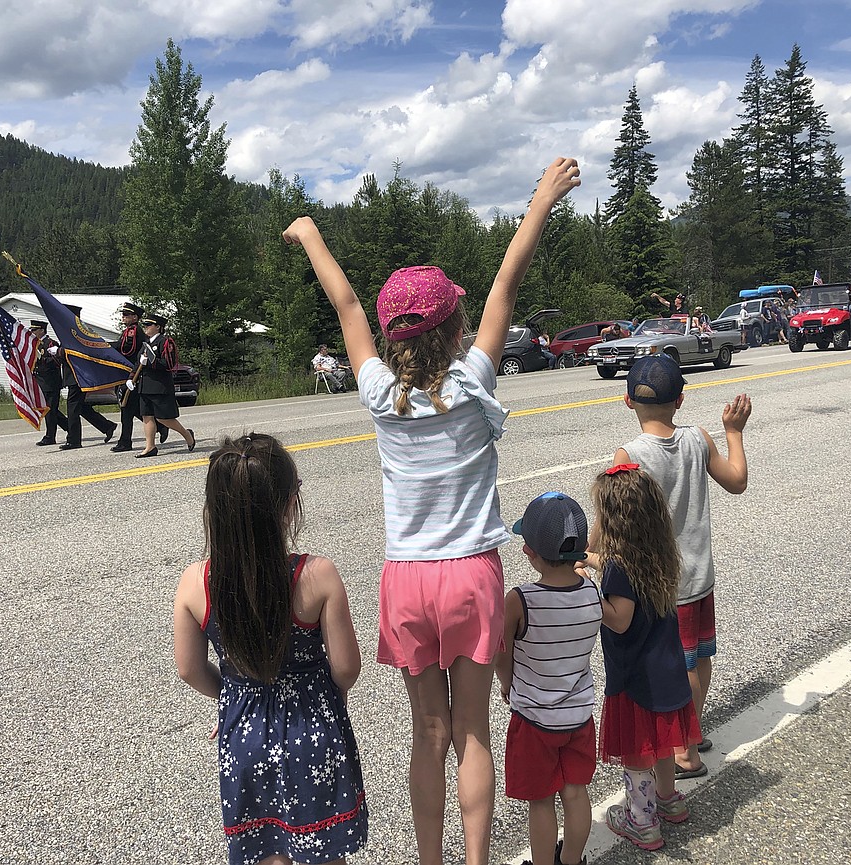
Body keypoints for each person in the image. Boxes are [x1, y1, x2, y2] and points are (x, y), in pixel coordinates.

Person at [281, 155, 581, 865]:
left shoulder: (383, 397)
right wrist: (541, 199)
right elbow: (509, 277)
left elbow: (348, 306)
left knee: (430, 732)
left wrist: (312, 235)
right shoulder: (476, 382)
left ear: (393, 340)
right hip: (470, 575)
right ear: (454, 331)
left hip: (409, 580)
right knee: (474, 729)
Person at [172, 433, 367, 865]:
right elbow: (346, 668)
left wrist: (234, 696)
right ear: (288, 504)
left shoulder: (194, 582)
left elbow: (189, 668)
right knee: (323, 849)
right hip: (312, 724)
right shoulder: (316, 575)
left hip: (243, 732)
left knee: (264, 848)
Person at [611, 355, 751, 782]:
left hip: (661, 586)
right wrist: (733, 432)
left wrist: (588, 553)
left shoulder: (629, 454)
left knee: (676, 665)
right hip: (699, 577)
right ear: (681, 401)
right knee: (699, 657)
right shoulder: (698, 438)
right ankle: (692, 730)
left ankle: (685, 751)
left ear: (628, 402)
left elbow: (612, 519)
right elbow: (737, 480)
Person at [580, 463, 700, 852]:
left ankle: (641, 818)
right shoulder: (657, 555)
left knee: (637, 751)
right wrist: (591, 560)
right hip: (666, 667)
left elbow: (619, 618)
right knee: (663, 744)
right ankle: (667, 798)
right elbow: (626, 577)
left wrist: (589, 591)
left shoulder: (618, 569)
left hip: (634, 676)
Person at [497, 492, 601, 865]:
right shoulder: (591, 592)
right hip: (578, 715)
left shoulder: (520, 600)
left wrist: (507, 685)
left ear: (530, 553)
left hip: (534, 719)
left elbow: (501, 652)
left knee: (541, 800)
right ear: (581, 549)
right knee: (576, 792)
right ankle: (571, 860)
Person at [127, 313, 195, 458]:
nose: (145, 327)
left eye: (148, 325)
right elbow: (137, 364)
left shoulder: (165, 342)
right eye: (144, 325)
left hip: (160, 386)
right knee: (147, 416)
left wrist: (152, 363)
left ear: (158, 327)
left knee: (164, 418)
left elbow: (169, 364)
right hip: (145, 386)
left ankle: (187, 435)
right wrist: (131, 378)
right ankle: (150, 447)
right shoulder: (146, 344)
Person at [58, 304, 118, 451]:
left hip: (77, 375)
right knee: (81, 407)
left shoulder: (76, 332)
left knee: (72, 409)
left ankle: (73, 440)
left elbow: (76, 351)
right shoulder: (70, 331)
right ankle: (106, 426)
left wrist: (59, 351)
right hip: (74, 375)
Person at [111, 301, 166, 452]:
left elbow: (125, 349)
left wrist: (106, 346)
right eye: (123, 314)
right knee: (131, 408)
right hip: (128, 374)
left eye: (126, 315)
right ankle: (161, 426)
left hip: (132, 373)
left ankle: (125, 442)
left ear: (134, 317)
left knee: (127, 407)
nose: (123, 317)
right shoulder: (128, 330)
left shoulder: (133, 331)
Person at [29, 320, 69, 446]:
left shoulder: (50, 343)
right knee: (50, 410)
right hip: (40, 381)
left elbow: (57, 361)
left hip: (51, 381)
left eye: (34, 330)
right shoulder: (35, 344)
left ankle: (50, 436)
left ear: (41, 330)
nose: (33, 332)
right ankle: (70, 428)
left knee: (50, 410)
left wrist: (42, 359)